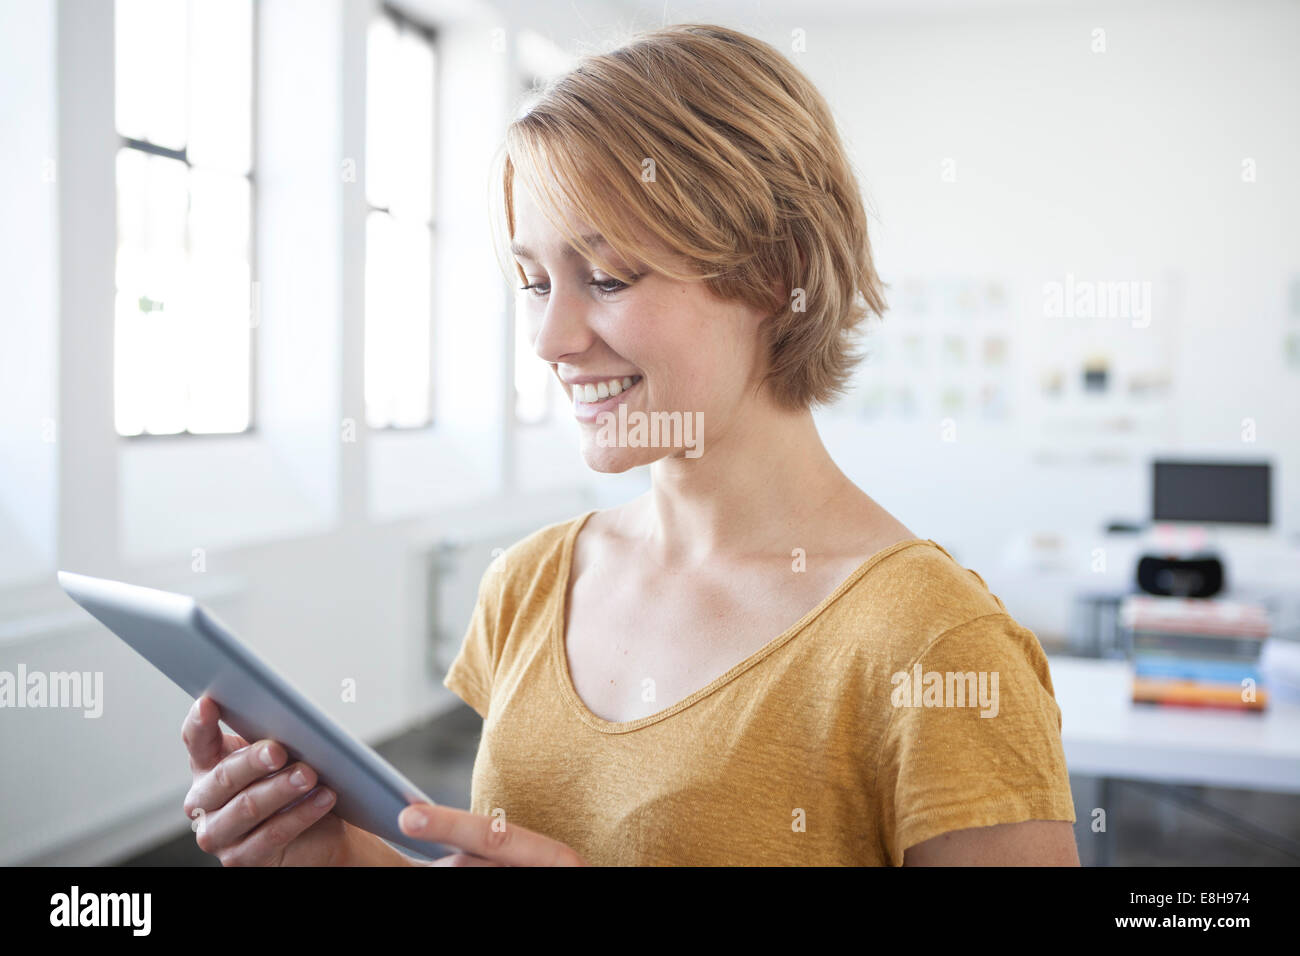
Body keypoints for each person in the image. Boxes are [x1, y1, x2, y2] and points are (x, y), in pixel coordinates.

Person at [180, 22, 1078, 866]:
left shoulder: (938, 647)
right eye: (534, 282)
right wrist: (339, 857)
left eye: (605, 277)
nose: (550, 339)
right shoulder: (530, 584)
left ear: (777, 274)